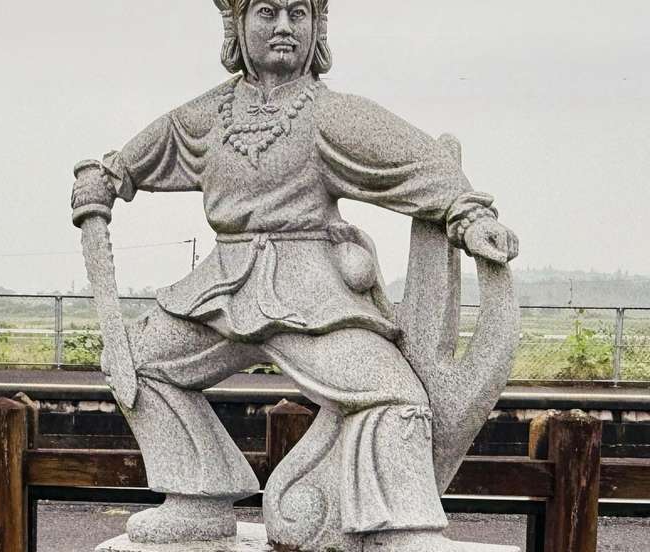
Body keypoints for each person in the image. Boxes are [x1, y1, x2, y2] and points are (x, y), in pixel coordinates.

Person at [72, 1, 519, 550]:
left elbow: (420, 164)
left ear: (317, 27)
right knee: (136, 361)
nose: (284, 27)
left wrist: (471, 218)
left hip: (311, 288)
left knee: (394, 394)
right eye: (267, 12)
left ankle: (401, 527)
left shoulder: (331, 115)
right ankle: (198, 500)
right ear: (238, 25)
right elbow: (140, 156)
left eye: (297, 13)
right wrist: (105, 178)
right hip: (220, 285)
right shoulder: (210, 116)